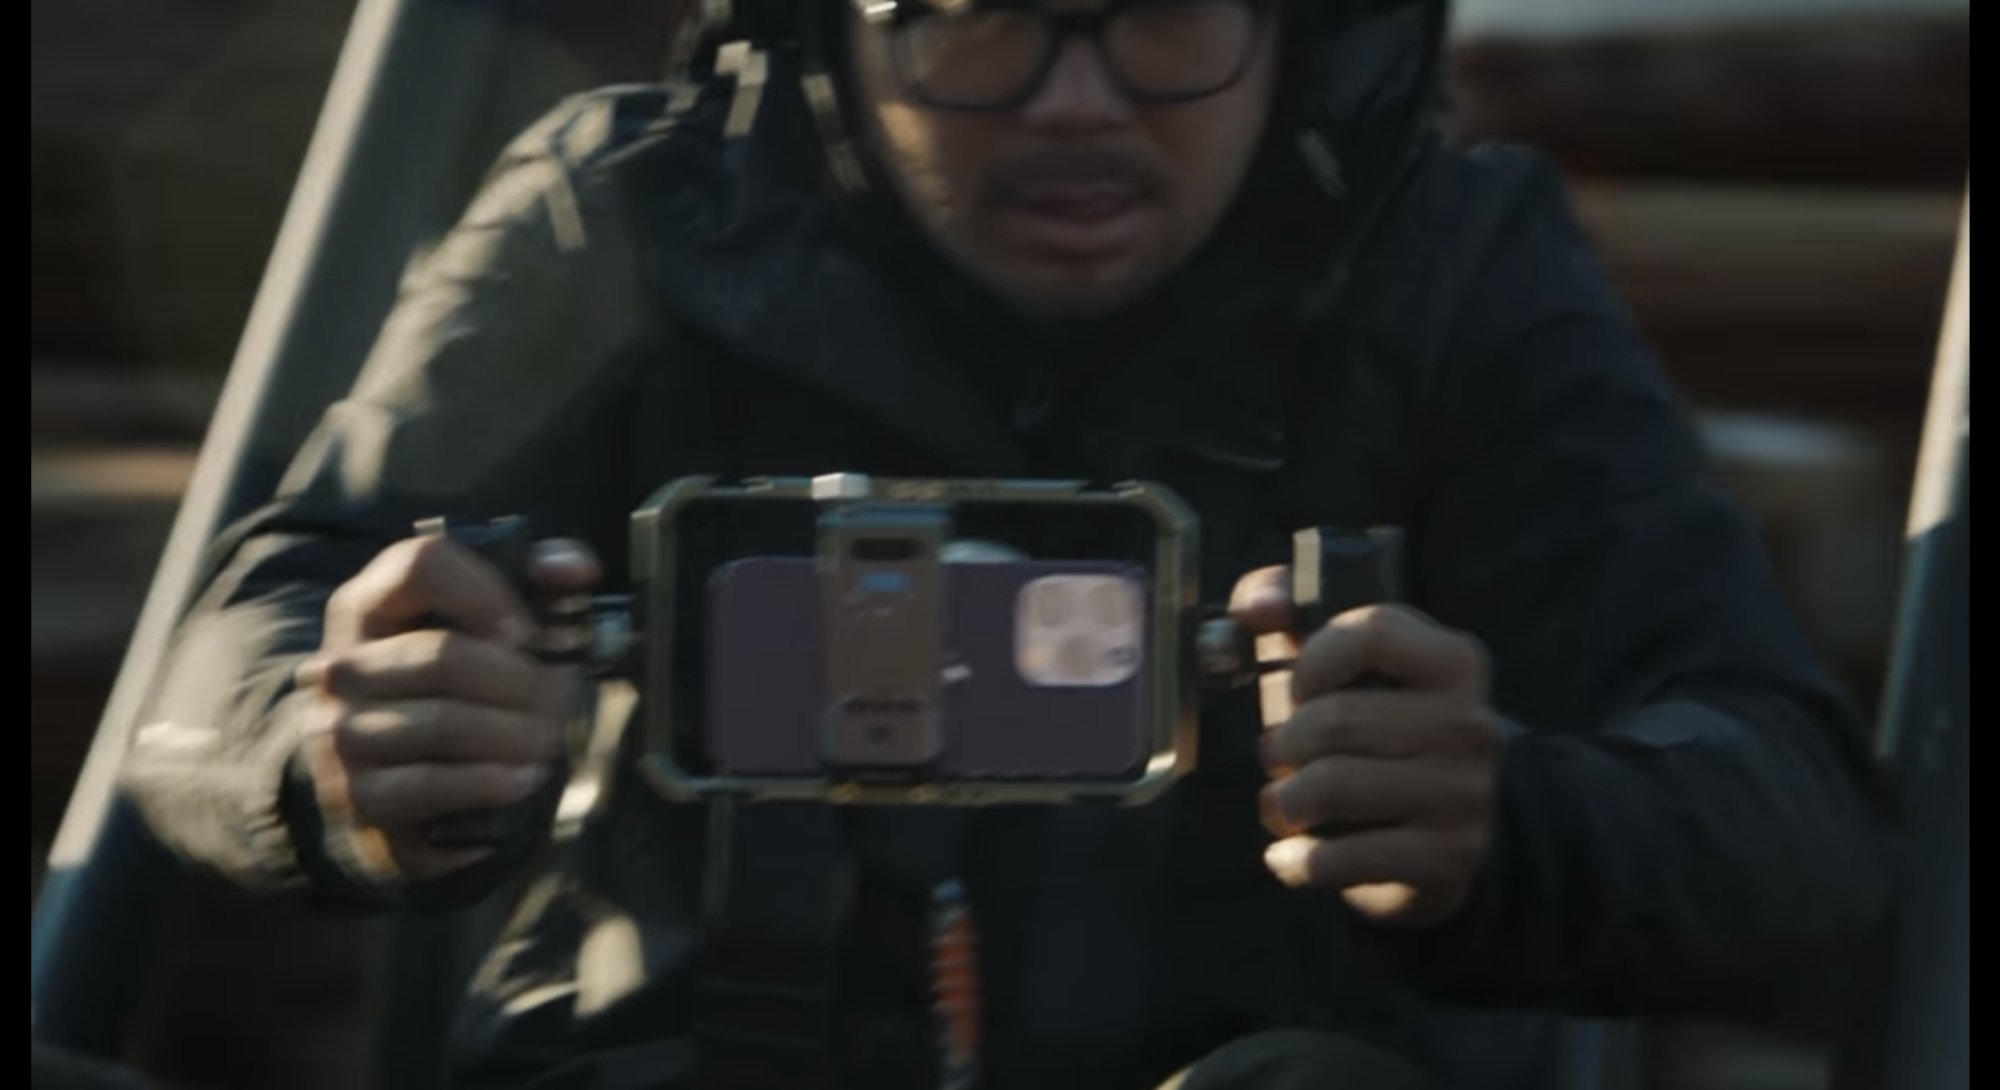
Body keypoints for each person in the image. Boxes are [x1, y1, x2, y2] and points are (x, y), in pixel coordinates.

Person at [121, 2, 1897, 1087]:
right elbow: (237, 650)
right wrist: (338, 736)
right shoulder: (629, 218)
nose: (1075, 100)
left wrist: (1510, 822)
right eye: (976, 14)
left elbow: (1792, 815)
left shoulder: (1453, 269)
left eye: (1162, 16)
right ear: (831, 31)